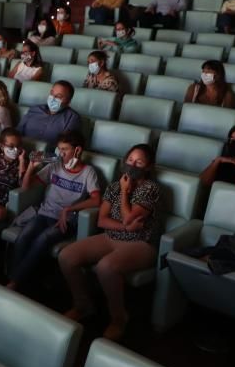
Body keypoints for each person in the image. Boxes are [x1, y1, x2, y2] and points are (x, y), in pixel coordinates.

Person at [59, 144, 161, 340]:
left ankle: (119, 318)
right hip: (110, 237)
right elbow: (102, 220)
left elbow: (128, 217)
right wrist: (125, 227)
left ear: (148, 167)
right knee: (67, 256)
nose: (133, 165)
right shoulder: (115, 186)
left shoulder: (150, 188)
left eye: (139, 162)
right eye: (130, 160)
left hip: (140, 244)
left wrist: (125, 192)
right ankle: (83, 305)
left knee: (105, 267)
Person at [8, 130, 102, 292]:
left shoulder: (88, 172)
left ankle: (15, 282)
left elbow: (96, 200)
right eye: (59, 149)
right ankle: (18, 280)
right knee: (24, 236)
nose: (61, 153)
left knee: (42, 240)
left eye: (65, 149)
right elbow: (25, 186)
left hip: (67, 219)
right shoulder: (55, 165)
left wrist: (69, 209)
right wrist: (31, 167)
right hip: (45, 213)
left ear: (77, 150)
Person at [16, 80, 81, 146]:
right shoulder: (34, 109)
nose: (53, 98)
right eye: (52, 94)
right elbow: (17, 132)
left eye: (59, 96)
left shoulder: (72, 118)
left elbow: (65, 146)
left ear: (68, 102)